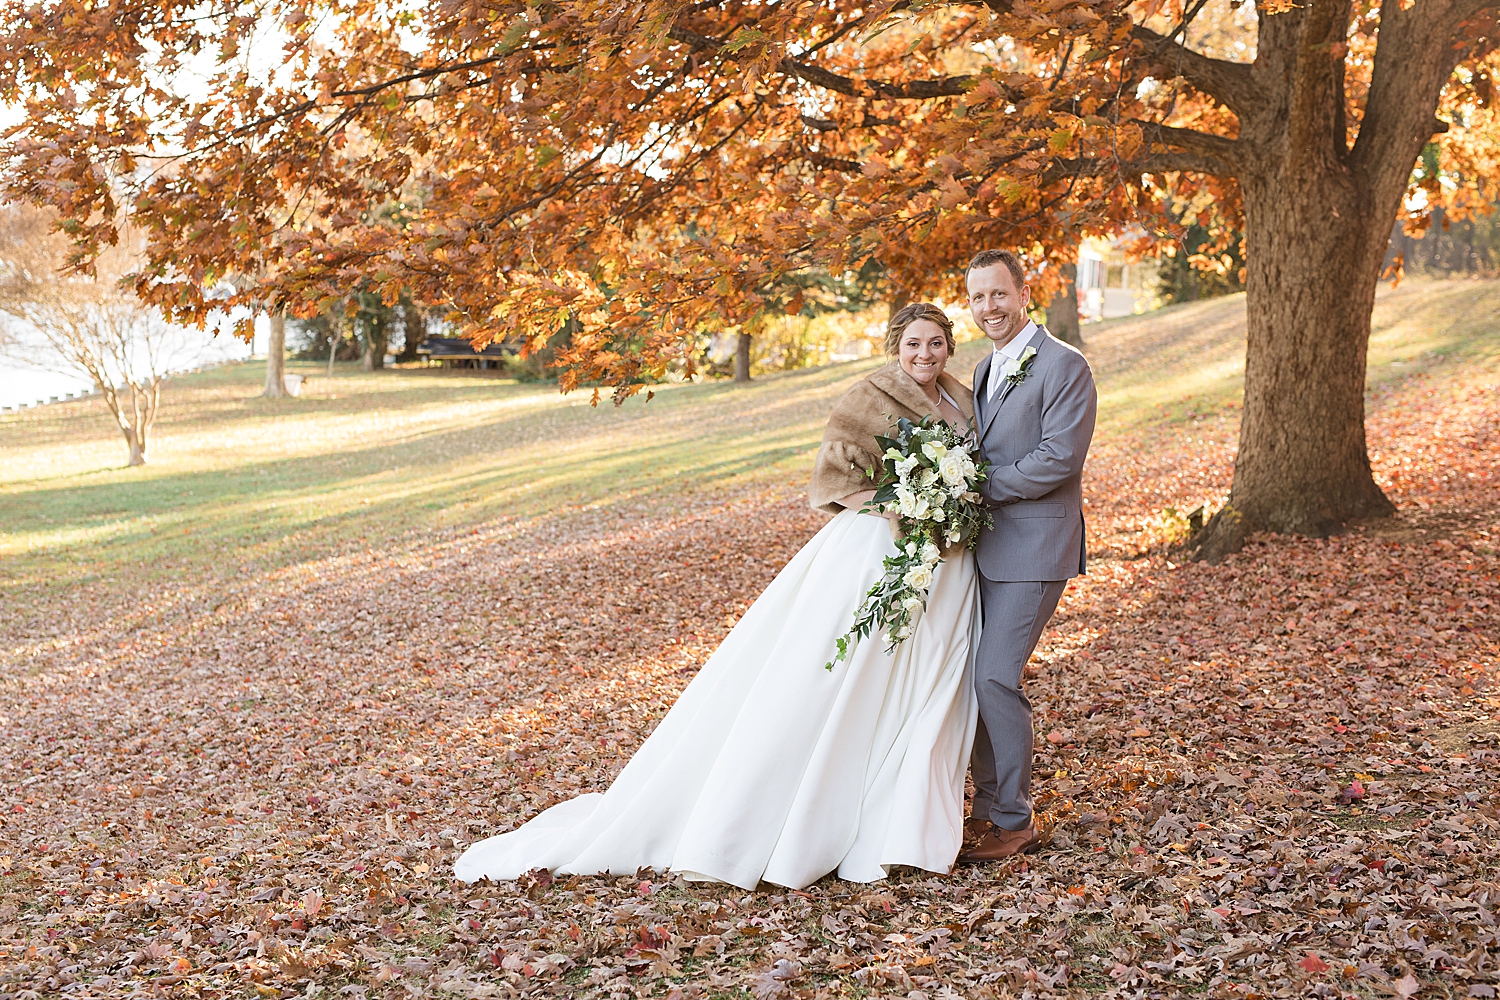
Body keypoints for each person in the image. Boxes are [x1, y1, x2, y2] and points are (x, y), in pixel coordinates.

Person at [453, 304, 981, 890]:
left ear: (950, 346)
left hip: (948, 563)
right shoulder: (868, 396)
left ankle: (902, 817)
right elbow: (836, 482)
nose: (924, 355)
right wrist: (905, 508)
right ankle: (807, 815)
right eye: (913, 344)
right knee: (847, 680)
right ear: (894, 346)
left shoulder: (964, 398)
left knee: (925, 680)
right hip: (877, 553)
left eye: (935, 343)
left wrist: (949, 507)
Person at [959, 249, 1097, 862]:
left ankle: (1014, 819)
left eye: (998, 294)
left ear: (1022, 293)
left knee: (995, 674)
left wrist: (978, 484)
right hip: (986, 553)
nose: (988, 307)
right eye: (977, 298)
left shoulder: (1065, 367)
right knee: (973, 679)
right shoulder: (984, 371)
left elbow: (1059, 458)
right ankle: (987, 811)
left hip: (1037, 547)